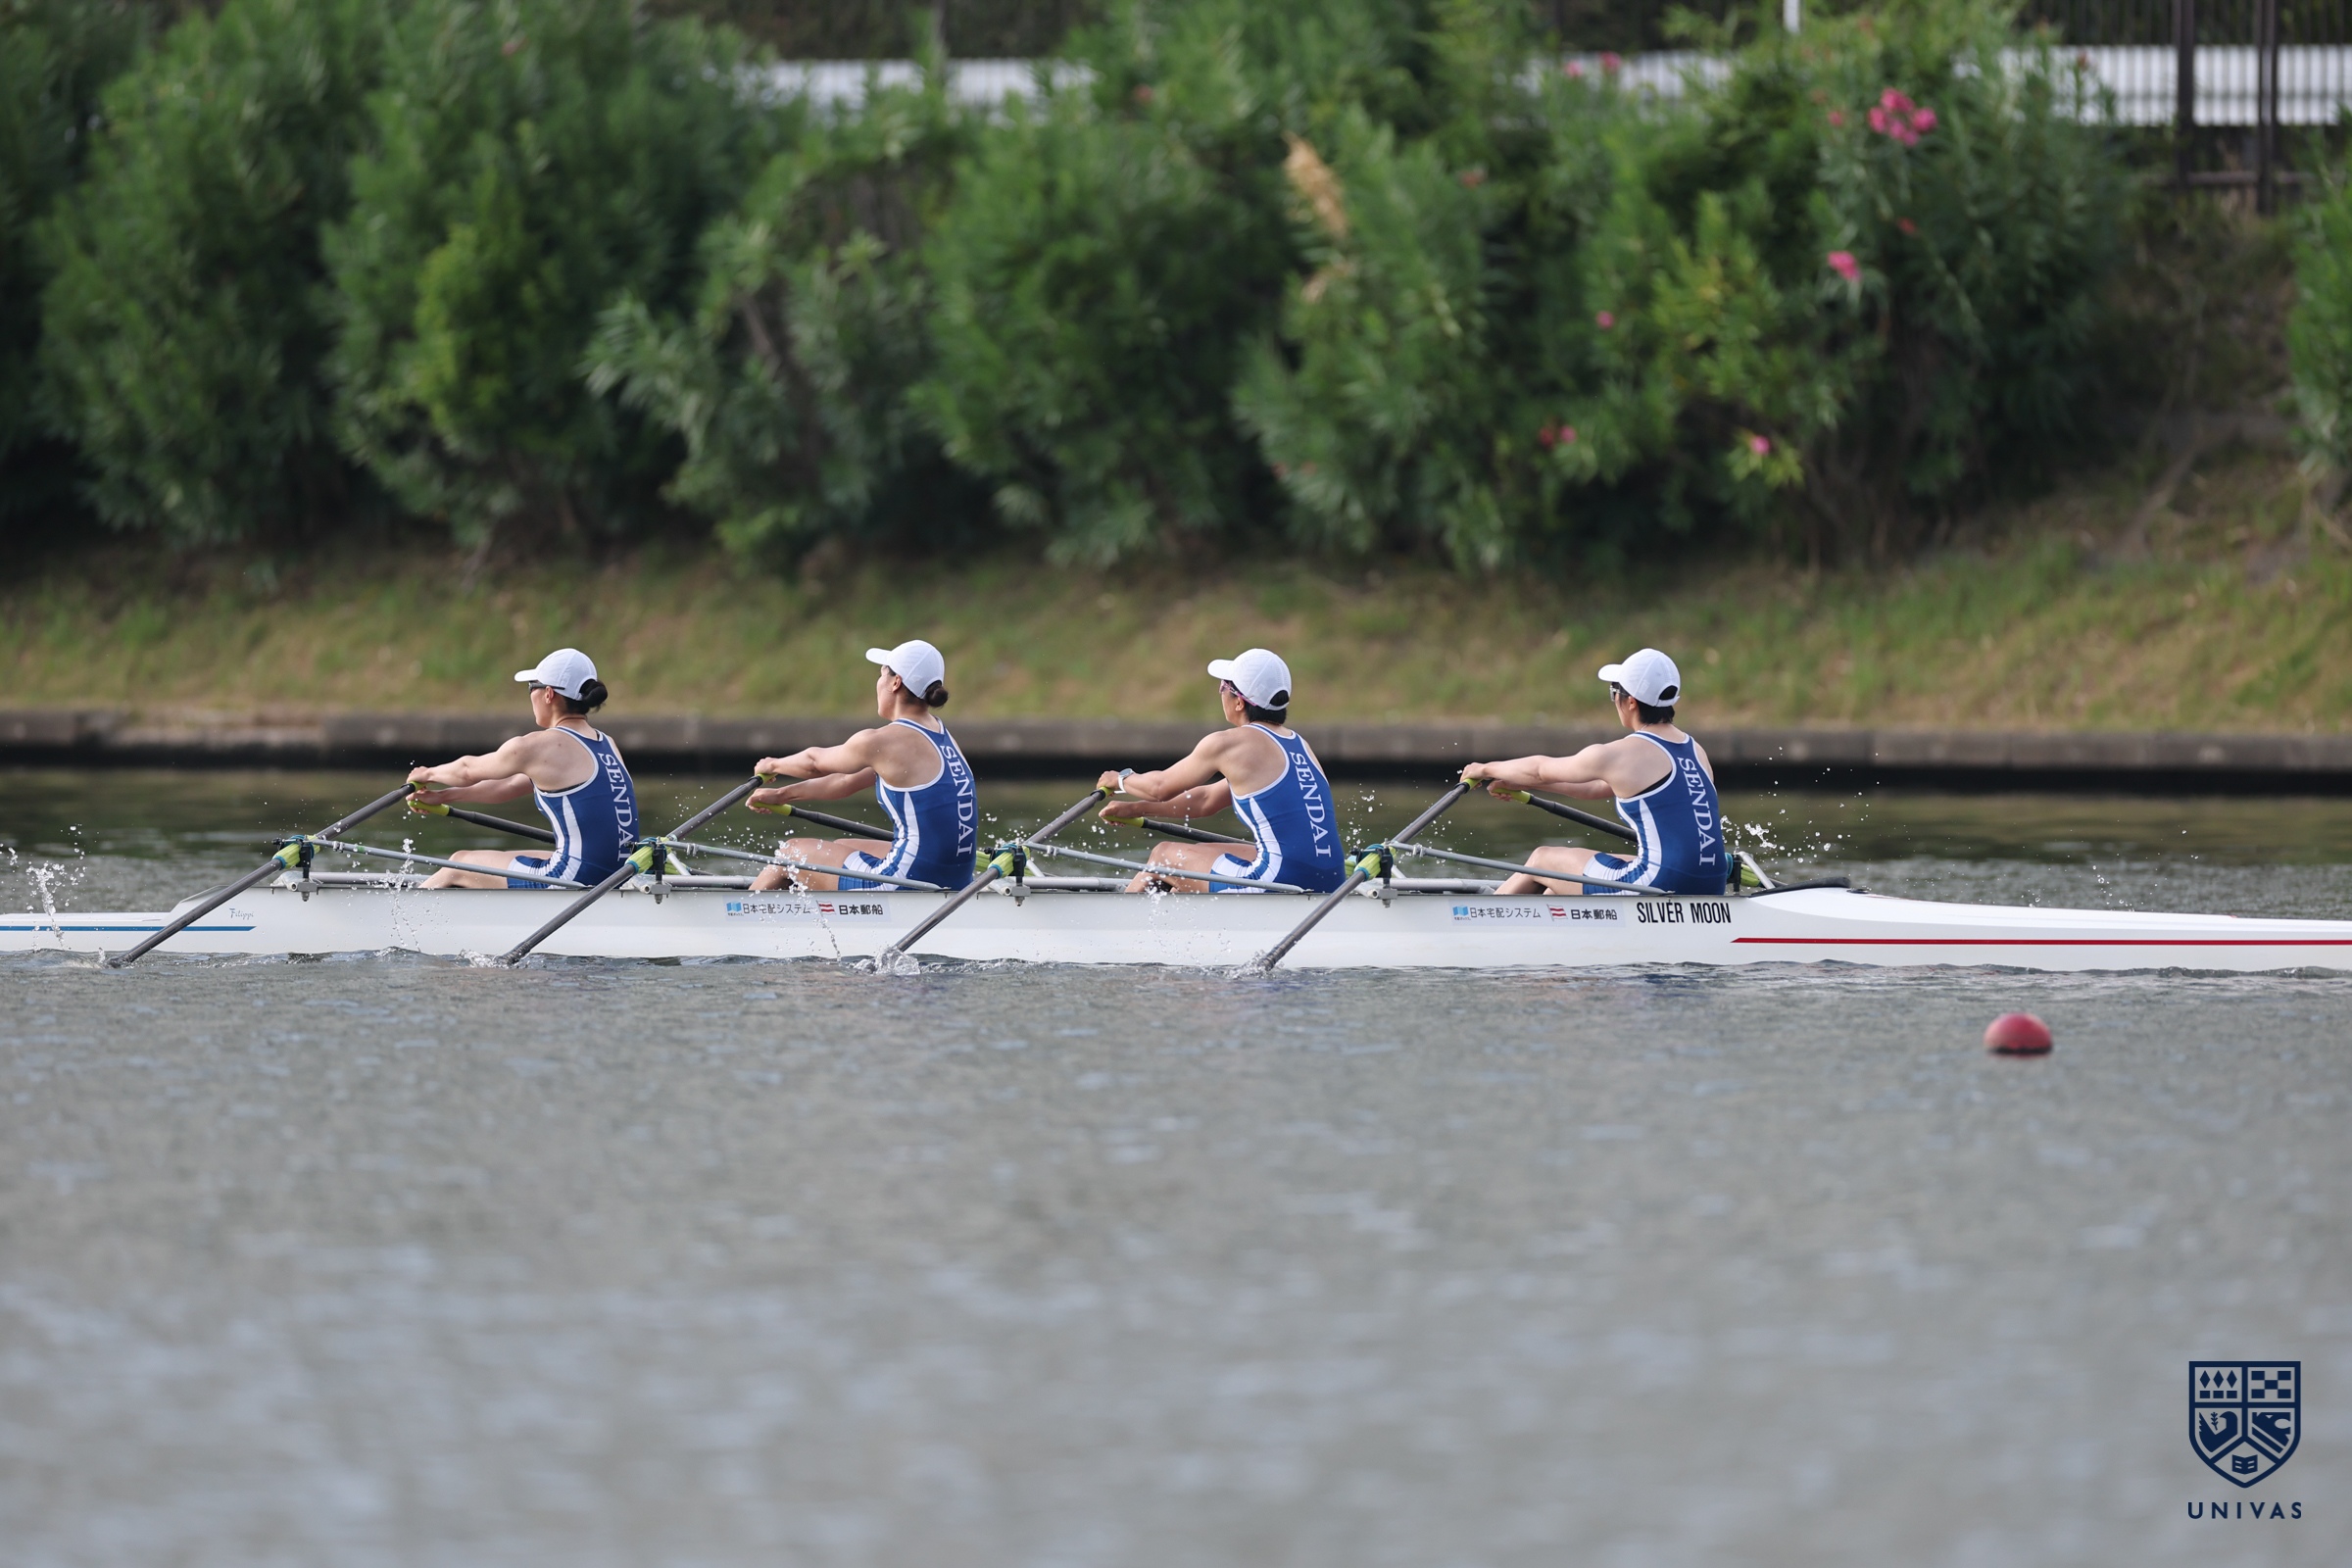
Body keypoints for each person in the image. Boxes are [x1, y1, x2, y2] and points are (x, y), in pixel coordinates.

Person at [1460, 647, 1723, 896]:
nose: (1614, 700)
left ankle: (1479, 918)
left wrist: (1484, 768)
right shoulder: (1696, 751)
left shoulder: (1622, 753)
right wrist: (1523, 784)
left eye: (1614, 692)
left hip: (1659, 884)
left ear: (1631, 702)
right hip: (1712, 881)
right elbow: (1593, 788)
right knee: (1562, 881)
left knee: (1542, 859)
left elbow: (1540, 769)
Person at [1097, 648, 1346, 894]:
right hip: (1333, 880)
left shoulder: (1228, 744)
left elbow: (1159, 787)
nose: (1220, 693)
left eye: (1224, 687)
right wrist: (1136, 809)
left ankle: (1119, 917)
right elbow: (1206, 800)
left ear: (1239, 702)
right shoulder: (1299, 744)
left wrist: (1120, 779)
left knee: (1162, 855)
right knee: (1202, 854)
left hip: (1281, 879)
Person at [745, 639, 976, 894]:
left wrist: (773, 764)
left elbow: (814, 763)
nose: (878, 682)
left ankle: (737, 911)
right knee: (842, 847)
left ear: (895, 682)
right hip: (958, 878)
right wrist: (782, 794)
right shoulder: (940, 734)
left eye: (882, 674)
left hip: (906, 881)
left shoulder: (881, 741)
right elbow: (845, 781)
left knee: (790, 853)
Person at [406, 649, 640, 889]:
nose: (530, 695)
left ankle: (402, 911)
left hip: (576, 878)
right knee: (507, 859)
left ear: (548, 693)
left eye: (531, 687)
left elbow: (467, 770)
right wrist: (443, 796)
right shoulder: (606, 743)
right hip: (619, 874)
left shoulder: (541, 746)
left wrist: (428, 774)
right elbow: (508, 786)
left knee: (459, 863)